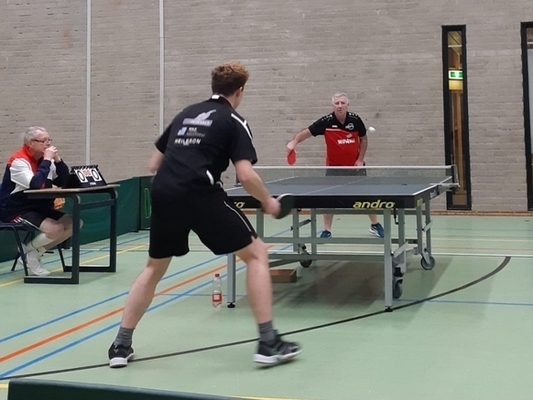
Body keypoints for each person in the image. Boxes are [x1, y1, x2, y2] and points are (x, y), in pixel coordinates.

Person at [107, 62, 301, 368]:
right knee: (256, 255)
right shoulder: (234, 120)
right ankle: (268, 342)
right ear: (240, 91)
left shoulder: (186, 114)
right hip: (199, 193)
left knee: (153, 268)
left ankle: (120, 345)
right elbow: (246, 175)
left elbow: (153, 164)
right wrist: (269, 202)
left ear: (214, 87)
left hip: (164, 192)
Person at [286, 93, 385, 239]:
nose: (340, 106)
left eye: (342, 103)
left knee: (366, 197)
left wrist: (360, 159)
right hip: (334, 168)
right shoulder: (326, 122)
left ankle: (375, 224)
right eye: (337, 103)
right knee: (329, 199)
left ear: (347, 105)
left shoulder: (355, 120)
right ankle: (327, 230)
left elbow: (363, 139)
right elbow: (306, 132)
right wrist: (294, 142)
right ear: (333, 106)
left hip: (355, 167)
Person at [0, 126, 75, 276]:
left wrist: (58, 161)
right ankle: (30, 256)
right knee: (55, 229)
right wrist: (47, 160)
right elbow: (35, 184)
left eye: (49, 140)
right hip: (16, 210)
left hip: (39, 207)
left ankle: (30, 253)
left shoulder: (46, 161)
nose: (48, 143)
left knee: (73, 223)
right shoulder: (18, 161)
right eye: (43, 140)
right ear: (30, 143)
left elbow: (63, 181)